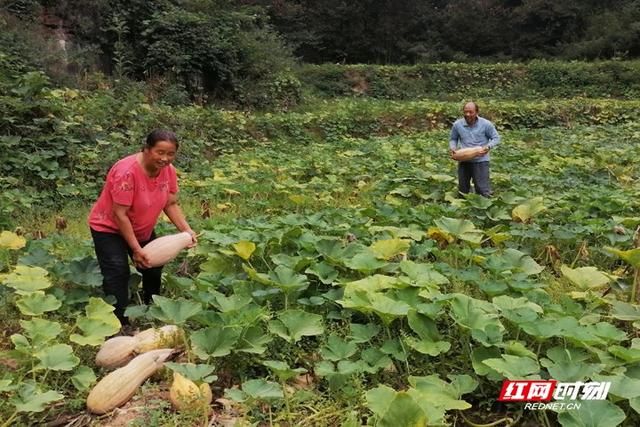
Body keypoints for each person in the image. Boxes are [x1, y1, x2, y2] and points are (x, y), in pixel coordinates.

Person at [88, 129, 196, 326]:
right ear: (146, 149)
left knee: (153, 267)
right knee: (118, 272)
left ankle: (152, 310)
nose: (165, 158)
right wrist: (136, 249)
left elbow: (170, 204)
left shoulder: (168, 171)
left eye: (170, 154)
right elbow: (119, 214)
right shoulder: (126, 172)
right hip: (109, 228)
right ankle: (119, 324)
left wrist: (186, 231)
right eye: (160, 152)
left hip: (140, 226)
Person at [449, 101, 500, 197]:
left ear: (477, 112)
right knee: (463, 189)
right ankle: (463, 209)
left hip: (481, 161)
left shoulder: (486, 124)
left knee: (482, 188)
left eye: (470, 112)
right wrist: (453, 147)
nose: (467, 114)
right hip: (464, 159)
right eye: (465, 112)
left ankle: (483, 207)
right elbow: (453, 138)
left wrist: (488, 147)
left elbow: (496, 138)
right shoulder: (457, 124)